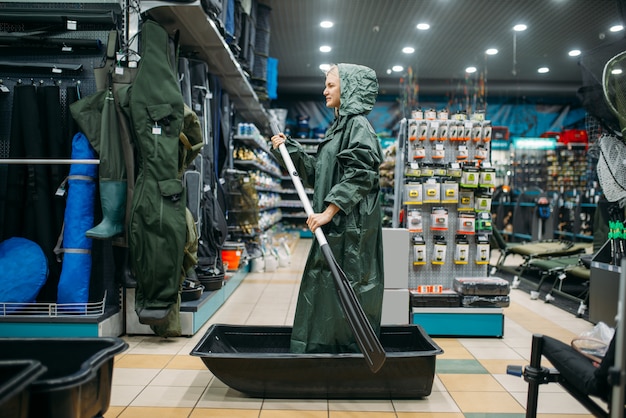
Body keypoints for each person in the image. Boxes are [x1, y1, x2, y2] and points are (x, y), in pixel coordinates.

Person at [270, 63, 385, 353]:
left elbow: (360, 175)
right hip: (336, 229)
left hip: (350, 233)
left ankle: (348, 355)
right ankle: (323, 352)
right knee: (325, 293)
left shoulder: (358, 126)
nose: (324, 90)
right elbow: (319, 174)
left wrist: (329, 212)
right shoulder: (338, 128)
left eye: (330, 85)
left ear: (349, 89)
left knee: (348, 294)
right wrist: (291, 149)